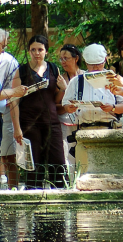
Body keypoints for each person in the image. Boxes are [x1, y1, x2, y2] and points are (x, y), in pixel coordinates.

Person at [11, 35, 67, 189]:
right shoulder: (21, 71)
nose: (37, 53)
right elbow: (13, 101)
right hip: (29, 124)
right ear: (29, 52)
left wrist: (64, 88)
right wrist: (17, 128)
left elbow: (57, 97)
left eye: (40, 49)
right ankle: (35, 204)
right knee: (34, 166)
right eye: (33, 50)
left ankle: (60, 201)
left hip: (51, 123)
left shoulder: (54, 68)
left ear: (46, 51)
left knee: (58, 163)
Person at [62, 44, 123, 128]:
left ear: (104, 61)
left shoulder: (114, 79)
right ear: (86, 63)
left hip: (109, 128)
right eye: (91, 65)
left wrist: (113, 108)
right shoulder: (76, 81)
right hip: (84, 129)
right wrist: (69, 108)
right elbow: (66, 103)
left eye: (98, 64)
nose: (95, 67)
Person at [0, 29, 28, 188]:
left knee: (9, 154)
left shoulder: (10, 61)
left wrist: (17, 128)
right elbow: (14, 92)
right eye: (1, 46)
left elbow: (16, 96)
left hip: (4, 113)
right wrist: (12, 92)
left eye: (4, 46)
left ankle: (13, 189)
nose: (3, 48)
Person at [57, 44, 84, 171]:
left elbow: (86, 101)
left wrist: (66, 88)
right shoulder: (59, 80)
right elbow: (56, 105)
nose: (63, 62)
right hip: (65, 124)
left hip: (84, 122)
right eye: (61, 59)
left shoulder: (85, 76)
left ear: (76, 58)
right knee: (67, 155)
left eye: (66, 58)